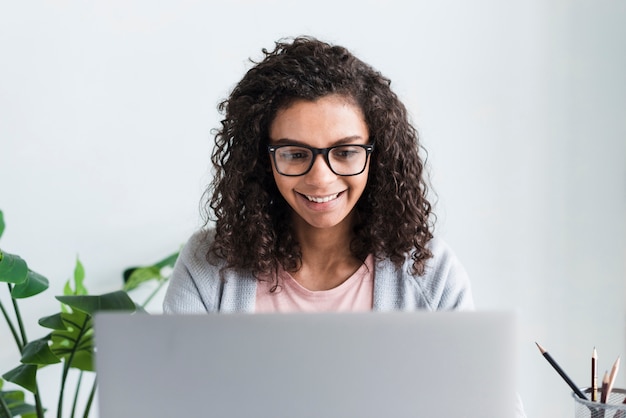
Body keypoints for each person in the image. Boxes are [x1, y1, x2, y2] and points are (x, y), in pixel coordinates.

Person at [163, 36, 474, 314]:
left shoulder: (431, 272)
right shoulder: (208, 263)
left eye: (346, 152)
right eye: (296, 154)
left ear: (377, 156)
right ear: (262, 159)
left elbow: (464, 378)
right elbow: (176, 377)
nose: (321, 179)